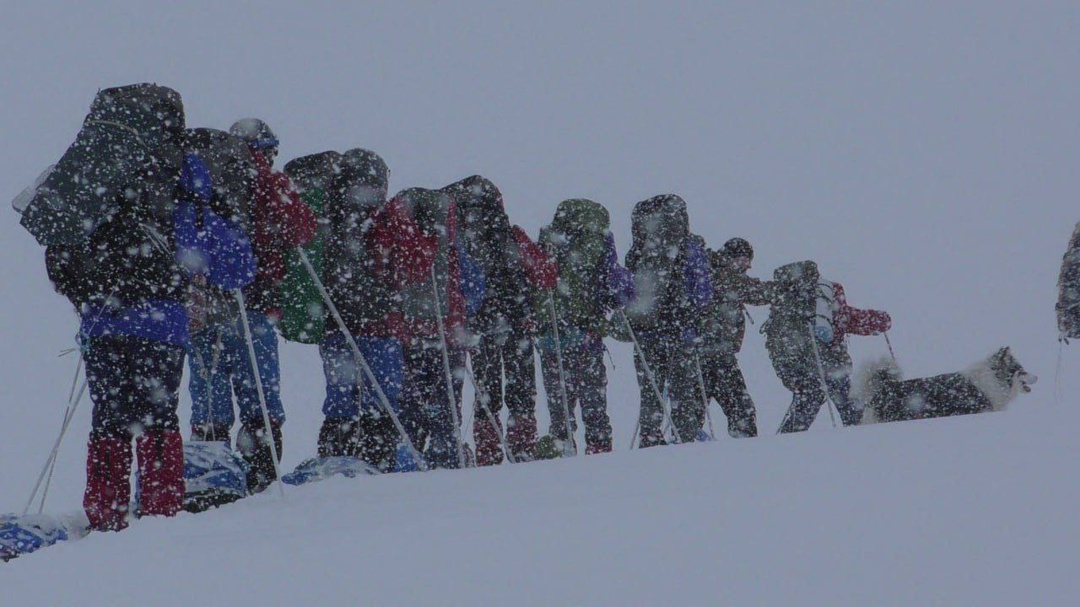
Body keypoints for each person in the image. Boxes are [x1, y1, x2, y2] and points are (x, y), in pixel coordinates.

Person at [43, 86, 255, 531]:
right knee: (158, 416)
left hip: (103, 319)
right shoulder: (184, 175)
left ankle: (107, 515)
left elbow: (59, 241)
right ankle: (160, 514)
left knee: (109, 419)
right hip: (161, 321)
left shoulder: (97, 172)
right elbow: (232, 267)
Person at [192, 118, 317, 493]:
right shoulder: (267, 182)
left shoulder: (200, 178)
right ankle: (262, 479)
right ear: (262, 150)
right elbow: (302, 229)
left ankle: (208, 478)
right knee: (260, 394)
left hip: (203, 302)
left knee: (208, 395)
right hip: (253, 301)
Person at [316, 149, 435, 472]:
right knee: (379, 402)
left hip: (336, 325)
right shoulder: (386, 218)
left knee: (341, 402)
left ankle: (336, 466)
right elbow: (418, 263)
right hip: (380, 326)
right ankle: (376, 469)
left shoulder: (329, 214)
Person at [443, 176, 556, 465]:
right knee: (521, 390)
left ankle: (489, 453)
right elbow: (544, 276)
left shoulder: (458, 241)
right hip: (516, 322)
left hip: (480, 327)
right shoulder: (512, 235)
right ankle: (522, 448)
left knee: (486, 394)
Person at [534, 199, 634, 456]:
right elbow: (612, 279)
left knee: (560, 407)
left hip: (552, 336)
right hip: (588, 333)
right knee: (594, 404)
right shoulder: (601, 240)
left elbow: (537, 281)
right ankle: (599, 453)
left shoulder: (548, 239)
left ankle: (561, 450)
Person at [623, 195, 713, 447]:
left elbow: (628, 289)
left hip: (646, 332)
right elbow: (703, 293)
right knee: (682, 389)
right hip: (680, 331)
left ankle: (650, 437)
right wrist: (695, 316)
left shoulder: (639, 251)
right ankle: (685, 437)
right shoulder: (690, 248)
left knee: (650, 389)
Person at [765, 261, 891, 433]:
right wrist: (877, 320)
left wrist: (790, 372)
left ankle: (786, 440)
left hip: (796, 365)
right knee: (847, 402)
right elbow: (845, 319)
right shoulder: (825, 292)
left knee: (808, 400)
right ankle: (862, 438)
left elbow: (776, 340)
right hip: (831, 362)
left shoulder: (784, 301)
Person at [396, 187, 472, 469]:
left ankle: (409, 460)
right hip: (448, 337)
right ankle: (447, 461)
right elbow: (473, 286)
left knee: (409, 408)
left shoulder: (400, 244)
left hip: (409, 337)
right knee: (447, 409)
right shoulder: (451, 247)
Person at [698, 237, 775, 438]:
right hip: (711, 355)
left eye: (749, 262)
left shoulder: (715, 272)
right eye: (743, 260)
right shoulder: (721, 274)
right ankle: (744, 453)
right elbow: (755, 291)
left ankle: (683, 449)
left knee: (692, 414)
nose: (748, 266)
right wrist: (785, 287)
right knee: (742, 411)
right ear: (730, 257)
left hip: (709, 355)